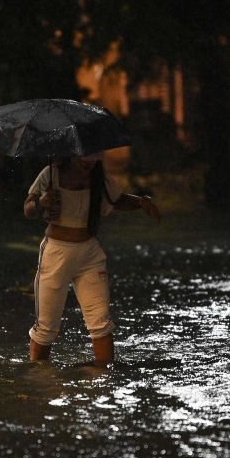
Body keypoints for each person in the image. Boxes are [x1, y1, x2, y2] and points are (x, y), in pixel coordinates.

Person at [23, 152, 161, 365]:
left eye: (93, 157)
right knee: (46, 327)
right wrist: (41, 203)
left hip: (90, 254)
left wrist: (142, 202)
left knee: (101, 322)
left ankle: (104, 380)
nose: (88, 162)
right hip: (56, 254)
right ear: (72, 152)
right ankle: (39, 381)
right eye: (84, 157)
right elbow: (28, 209)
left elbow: (118, 199)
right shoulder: (51, 174)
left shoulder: (99, 177)